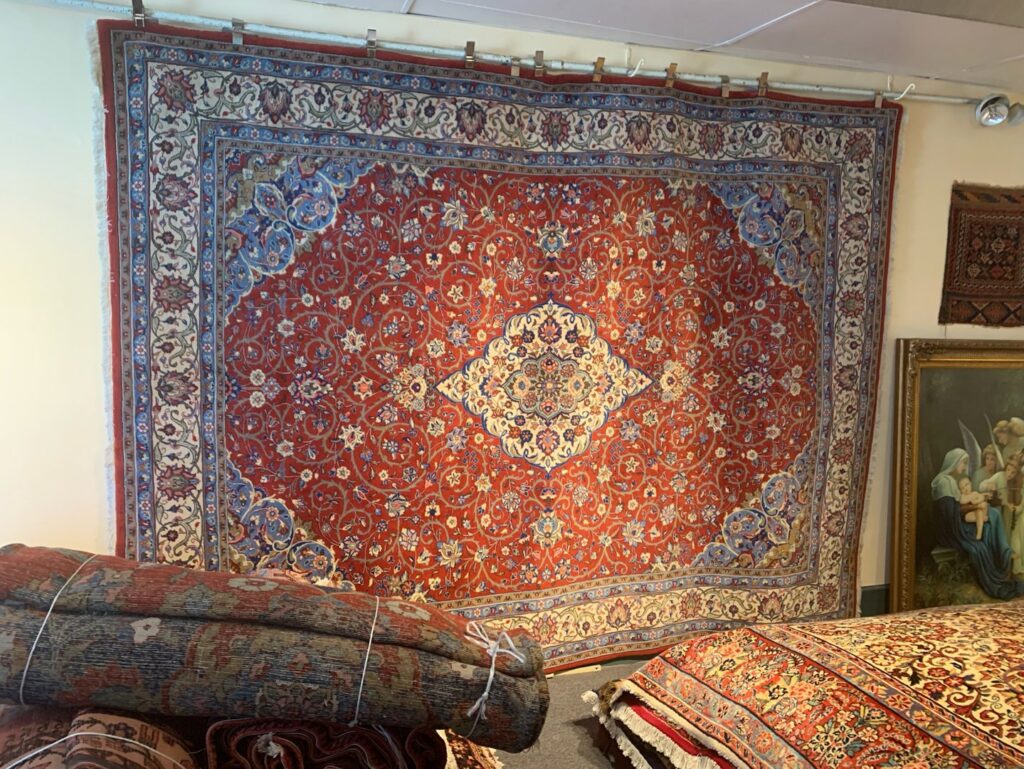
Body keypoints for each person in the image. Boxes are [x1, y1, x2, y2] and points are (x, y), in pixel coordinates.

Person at [930, 448, 1020, 599]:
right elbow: (951, 513)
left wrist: (978, 502)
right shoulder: (944, 482)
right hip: (952, 528)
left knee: (994, 514)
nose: (965, 467)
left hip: (959, 518)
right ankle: (999, 564)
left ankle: (1003, 555)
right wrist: (976, 506)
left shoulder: (952, 480)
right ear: (954, 462)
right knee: (985, 534)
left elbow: (960, 504)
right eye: (963, 463)